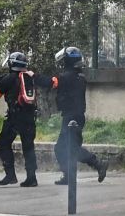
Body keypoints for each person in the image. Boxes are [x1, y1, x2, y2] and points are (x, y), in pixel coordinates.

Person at [40, 46, 108, 184]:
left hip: (72, 117)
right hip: (75, 116)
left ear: (67, 61)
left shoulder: (68, 76)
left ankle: (98, 164)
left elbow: (50, 82)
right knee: (63, 148)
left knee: (70, 149)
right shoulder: (79, 75)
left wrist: (32, 77)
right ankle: (69, 177)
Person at [0, 52, 39, 187]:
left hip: (14, 118)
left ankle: (10, 175)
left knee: (4, 143)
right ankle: (32, 177)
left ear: (12, 64)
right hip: (30, 117)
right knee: (28, 147)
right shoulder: (30, 76)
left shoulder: (9, 78)